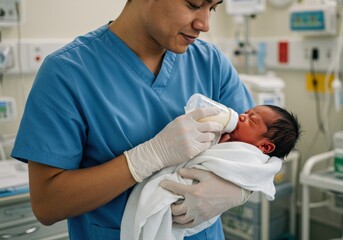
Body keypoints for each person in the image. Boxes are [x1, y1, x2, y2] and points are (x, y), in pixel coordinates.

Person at [11, 1, 256, 240]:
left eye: (212, 8)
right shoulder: (67, 73)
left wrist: (237, 190)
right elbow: (47, 205)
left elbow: (267, 144)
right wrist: (146, 158)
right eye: (193, 5)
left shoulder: (209, 62)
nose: (204, 24)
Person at [120, 104, 302, 240]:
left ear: (265, 146)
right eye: (246, 112)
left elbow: (252, 174)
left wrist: (239, 190)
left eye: (251, 120)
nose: (241, 117)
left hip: (193, 207)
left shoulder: (250, 156)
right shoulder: (230, 135)